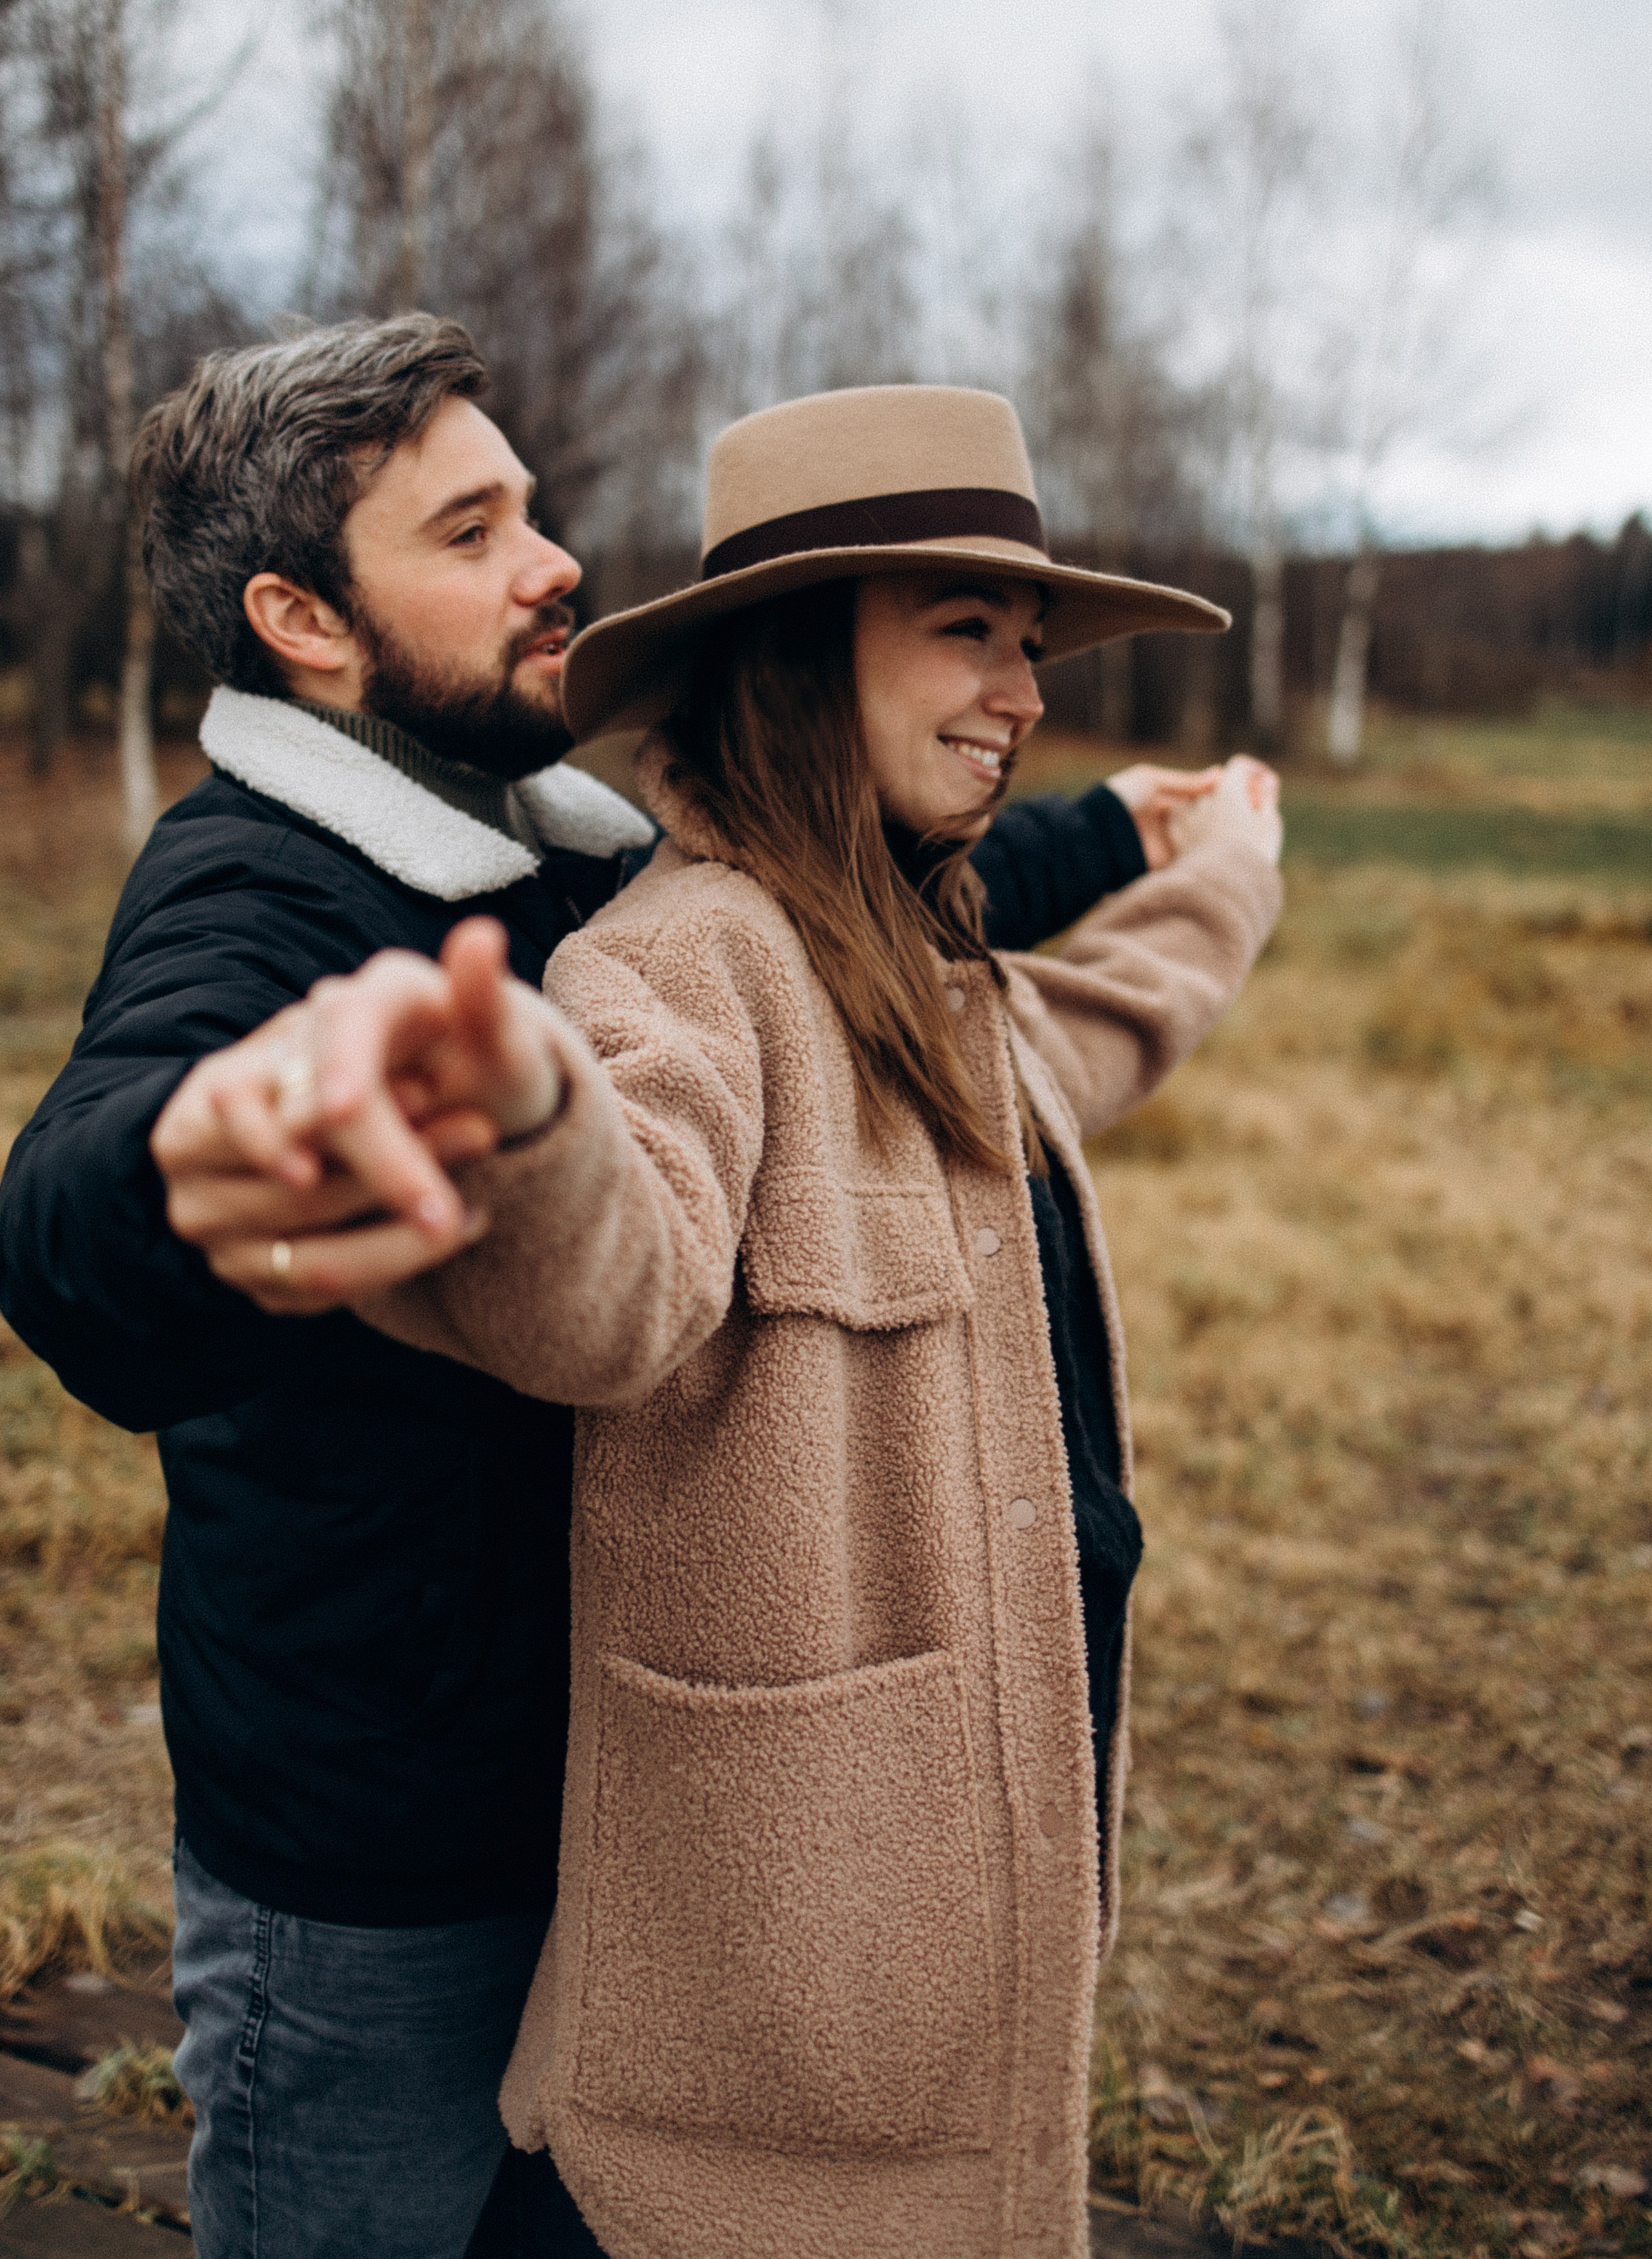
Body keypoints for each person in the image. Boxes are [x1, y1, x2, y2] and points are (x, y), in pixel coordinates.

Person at [0, 323, 1213, 2259]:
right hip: (383, 1869)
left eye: (534, 510)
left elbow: (837, 884)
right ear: (302, 620)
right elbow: (90, 1192)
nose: (554, 560)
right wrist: (178, 1168)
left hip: (611, 1813)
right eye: (471, 532)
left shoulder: (565, 850)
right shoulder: (255, 887)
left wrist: (1116, 833)